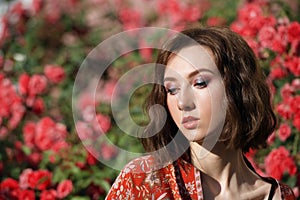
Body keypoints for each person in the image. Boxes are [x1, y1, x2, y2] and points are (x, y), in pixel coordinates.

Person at [105, 26, 296, 199]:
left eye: (199, 83)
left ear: (238, 88)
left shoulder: (278, 196)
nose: (182, 102)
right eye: (172, 89)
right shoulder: (143, 183)